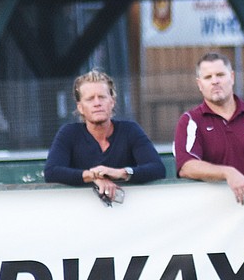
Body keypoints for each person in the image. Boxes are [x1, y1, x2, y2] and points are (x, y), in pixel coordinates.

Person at [173, 52, 244, 205]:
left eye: (220, 74)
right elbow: (187, 167)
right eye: (208, 77)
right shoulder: (190, 120)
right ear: (200, 84)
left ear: (232, 77)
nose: (215, 81)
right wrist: (227, 173)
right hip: (214, 213)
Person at [44, 69, 166, 203]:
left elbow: (157, 168)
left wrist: (120, 173)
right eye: (90, 99)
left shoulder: (130, 130)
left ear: (112, 102)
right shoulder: (69, 133)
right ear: (80, 107)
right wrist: (94, 176)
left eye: (102, 97)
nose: (97, 103)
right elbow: (52, 172)